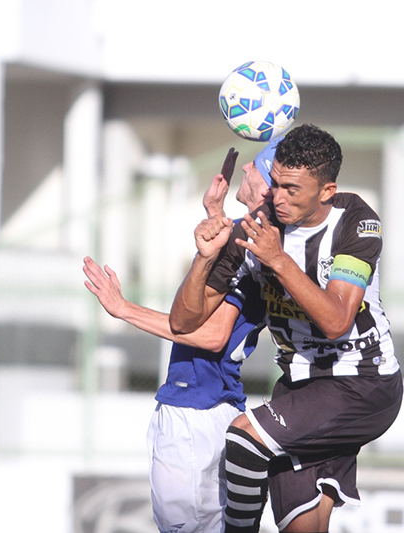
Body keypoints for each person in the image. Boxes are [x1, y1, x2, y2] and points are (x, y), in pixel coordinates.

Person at [168, 124, 404, 533]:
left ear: (326, 191)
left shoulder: (356, 221)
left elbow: (336, 321)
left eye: (292, 189)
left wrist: (278, 260)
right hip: (300, 388)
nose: (278, 198)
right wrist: (203, 259)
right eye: (275, 184)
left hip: (364, 383)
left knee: (244, 440)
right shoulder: (253, 230)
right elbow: (183, 322)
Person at [83, 141, 279, 533]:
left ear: (268, 190)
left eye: (255, 167)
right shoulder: (248, 240)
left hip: (196, 411)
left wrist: (123, 309)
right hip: (213, 407)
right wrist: (214, 214)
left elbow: (212, 336)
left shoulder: (255, 248)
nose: (244, 170)